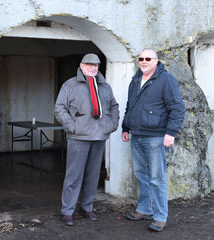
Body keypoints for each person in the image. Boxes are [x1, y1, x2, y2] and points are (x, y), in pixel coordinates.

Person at [121, 48, 185, 232]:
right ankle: (144, 209)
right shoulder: (135, 80)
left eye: (148, 58)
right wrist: (126, 127)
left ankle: (160, 217)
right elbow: (130, 106)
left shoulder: (166, 80)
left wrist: (170, 132)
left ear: (156, 61)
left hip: (156, 137)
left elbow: (177, 108)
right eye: (141, 58)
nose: (144, 61)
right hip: (137, 135)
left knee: (157, 178)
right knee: (141, 175)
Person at [55, 53, 119, 226]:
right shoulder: (70, 85)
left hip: (99, 137)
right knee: (73, 176)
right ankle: (68, 211)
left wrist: (112, 124)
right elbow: (60, 108)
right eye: (89, 65)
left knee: (93, 175)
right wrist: (72, 126)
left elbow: (113, 106)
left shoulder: (104, 86)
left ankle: (87, 207)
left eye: (96, 65)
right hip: (79, 137)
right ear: (81, 66)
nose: (93, 68)